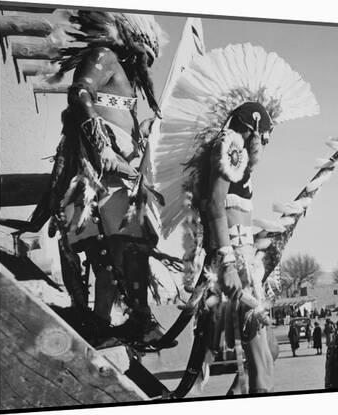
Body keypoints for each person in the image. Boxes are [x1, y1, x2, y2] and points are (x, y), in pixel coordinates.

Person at [151, 43, 319, 394]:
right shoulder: (230, 147)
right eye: (265, 137)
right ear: (254, 129)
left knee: (268, 350)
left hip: (243, 263)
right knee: (261, 359)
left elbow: (230, 212)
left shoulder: (233, 153)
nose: (266, 145)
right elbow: (214, 207)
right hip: (232, 267)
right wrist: (228, 262)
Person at [30, 11, 167, 345]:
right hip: (100, 174)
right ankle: (107, 325)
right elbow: (80, 92)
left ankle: (125, 324)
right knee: (108, 251)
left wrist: (143, 127)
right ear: (135, 41)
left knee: (126, 248)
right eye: (147, 55)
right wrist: (102, 147)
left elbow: (113, 110)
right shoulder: (104, 56)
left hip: (123, 176)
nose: (148, 64)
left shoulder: (123, 74)